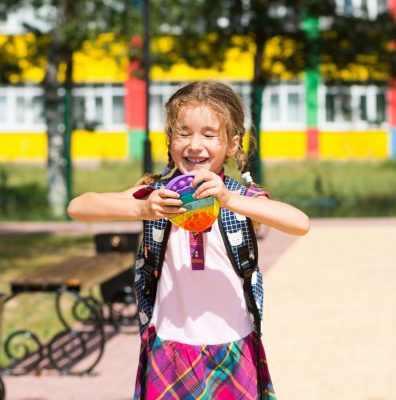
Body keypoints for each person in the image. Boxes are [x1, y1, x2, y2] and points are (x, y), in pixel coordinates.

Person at [68, 80, 310, 399]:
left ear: (232, 145)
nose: (195, 145)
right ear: (170, 142)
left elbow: (299, 223)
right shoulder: (158, 194)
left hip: (233, 343)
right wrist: (141, 207)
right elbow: (79, 207)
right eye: (184, 133)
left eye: (209, 134)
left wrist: (228, 199)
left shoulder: (239, 197)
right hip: (168, 345)